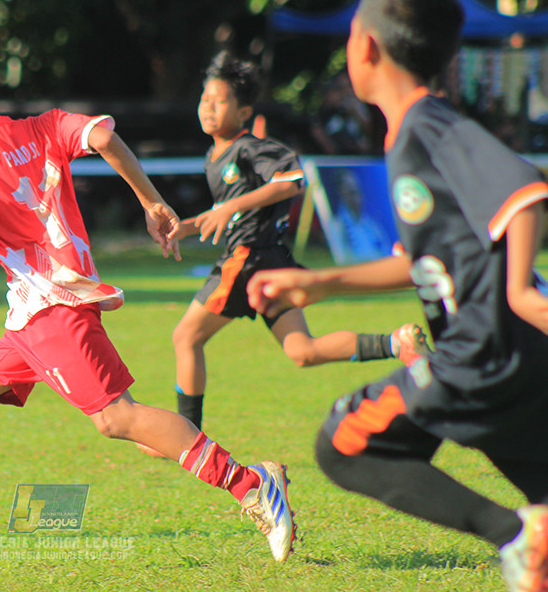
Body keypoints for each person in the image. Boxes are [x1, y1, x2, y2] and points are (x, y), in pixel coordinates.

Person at [0, 38, 297, 563]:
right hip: (36, 310)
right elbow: (103, 135)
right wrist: (152, 202)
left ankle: (250, 484)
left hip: (51, 309)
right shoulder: (43, 125)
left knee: (116, 418)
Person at [247, 0, 548, 592]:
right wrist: (322, 284)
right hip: (513, 360)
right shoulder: (410, 133)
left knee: (344, 443)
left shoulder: (428, 125)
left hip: (481, 355)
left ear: (364, 48)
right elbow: (421, 261)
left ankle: (518, 537)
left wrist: (520, 291)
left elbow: (525, 192)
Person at [143, 51, 429, 441]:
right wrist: (184, 227)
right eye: (204, 100)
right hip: (267, 261)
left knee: (186, 337)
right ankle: (398, 342)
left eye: (219, 100)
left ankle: (185, 439)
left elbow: (292, 180)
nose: (208, 107)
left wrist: (231, 206)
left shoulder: (249, 147)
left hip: (248, 260)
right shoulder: (216, 155)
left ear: (244, 112)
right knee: (302, 351)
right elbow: (224, 210)